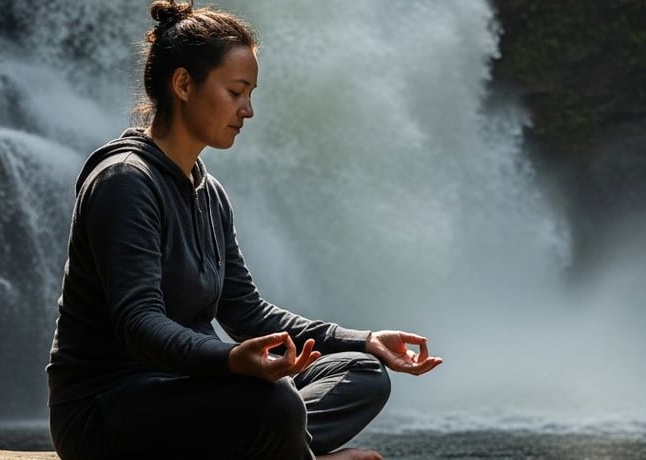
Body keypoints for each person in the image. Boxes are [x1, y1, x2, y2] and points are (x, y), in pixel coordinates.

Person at [45, 1, 443, 459]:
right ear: (183, 85)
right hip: (106, 413)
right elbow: (139, 324)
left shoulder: (208, 191)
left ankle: (287, 446)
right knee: (273, 403)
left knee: (362, 373)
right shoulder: (125, 181)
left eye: (250, 93)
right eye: (236, 91)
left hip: (190, 396)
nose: (248, 110)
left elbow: (245, 311)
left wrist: (365, 340)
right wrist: (230, 360)